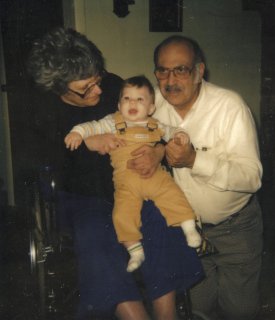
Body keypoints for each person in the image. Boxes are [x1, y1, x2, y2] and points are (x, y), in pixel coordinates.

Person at [27, 28, 204, 320]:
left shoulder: (112, 86)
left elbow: (151, 126)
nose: (99, 91)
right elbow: (43, 164)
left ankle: (166, 313)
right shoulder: (43, 109)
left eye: (98, 78)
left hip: (132, 181)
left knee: (160, 220)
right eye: (86, 88)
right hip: (80, 196)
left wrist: (158, 152)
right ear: (59, 88)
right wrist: (85, 143)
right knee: (95, 234)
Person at [124, 35, 263, 320]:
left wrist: (194, 160)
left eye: (181, 70)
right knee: (197, 310)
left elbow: (252, 178)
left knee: (240, 311)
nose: (170, 80)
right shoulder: (152, 105)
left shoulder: (230, 107)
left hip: (234, 230)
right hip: (186, 234)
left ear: (199, 71)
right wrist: (157, 152)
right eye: (162, 70)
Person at [64, 75, 201, 272]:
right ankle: (135, 251)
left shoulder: (155, 125)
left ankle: (189, 229)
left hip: (155, 177)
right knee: (122, 215)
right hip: (125, 183)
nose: (132, 103)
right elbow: (91, 126)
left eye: (140, 99)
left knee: (173, 196)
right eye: (127, 99)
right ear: (119, 105)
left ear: (151, 108)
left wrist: (180, 136)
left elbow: (173, 131)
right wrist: (77, 132)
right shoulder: (112, 122)